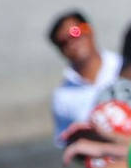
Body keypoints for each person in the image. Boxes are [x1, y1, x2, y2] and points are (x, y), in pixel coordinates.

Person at [48, 11, 123, 142]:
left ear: (89, 30)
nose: (71, 43)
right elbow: (67, 143)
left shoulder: (125, 66)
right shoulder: (62, 97)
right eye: (62, 42)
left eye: (75, 32)